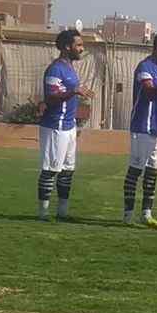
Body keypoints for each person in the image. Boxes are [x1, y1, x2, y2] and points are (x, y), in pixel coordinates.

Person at [123, 31, 157, 227]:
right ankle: (128, 215)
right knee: (135, 170)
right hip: (142, 128)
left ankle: (146, 215)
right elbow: (151, 93)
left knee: (153, 172)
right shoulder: (144, 67)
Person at [38, 28, 91, 220]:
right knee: (50, 170)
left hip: (69, 127)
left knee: (67, 170)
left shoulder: (69, 68)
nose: (82, 48)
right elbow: (51, 98)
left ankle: (62, 212)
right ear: (67, 47)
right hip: (55, 126)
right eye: (79, 45)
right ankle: (43, 213)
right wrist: (74, 91)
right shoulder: (55, 69)